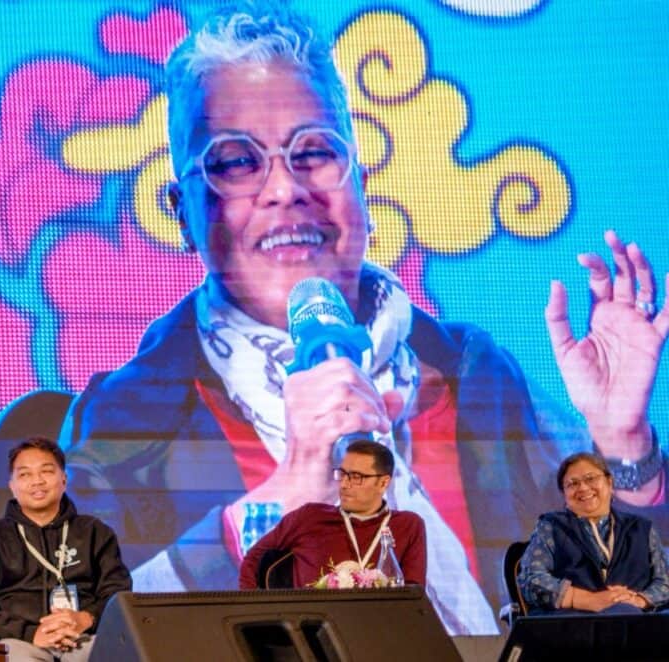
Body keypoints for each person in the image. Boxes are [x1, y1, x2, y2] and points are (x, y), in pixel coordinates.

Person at [50, 0, 669, 635]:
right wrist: (283, 499)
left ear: (362, 187)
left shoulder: (472, 375)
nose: (285, 188)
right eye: (235, 161)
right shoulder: (126, 427)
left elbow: (613, 598)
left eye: (314, 152)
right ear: (182, 213)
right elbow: (88, 632)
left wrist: (626, 447)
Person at [0, 437, 132, 661]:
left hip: (83, 637)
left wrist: (87, 618)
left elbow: (117, 592)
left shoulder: (95, 533)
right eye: (25, 474)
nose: (36, 481)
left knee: (115, 653)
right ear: (12, 486)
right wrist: (30, 633)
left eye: (46, 471)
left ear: (64, 479)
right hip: (19, 641)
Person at [239, 441, 425, 589]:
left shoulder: (407, 525)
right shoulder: (310, 517)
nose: (344, 484)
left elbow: (413, 591)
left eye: (355, 477)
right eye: (342, 474)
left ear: (383, 483)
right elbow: (253, 559)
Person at [518, 452, 669, 614]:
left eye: (591, 478)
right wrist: (584, 599)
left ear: (610, 483)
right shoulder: (551, 526)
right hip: (573, 622)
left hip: (635, 620)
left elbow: (664, 582)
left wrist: (638, 600)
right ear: (564, 494)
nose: (583, 488)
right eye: (572, 484)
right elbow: (531, 579)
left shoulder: (641, 528)